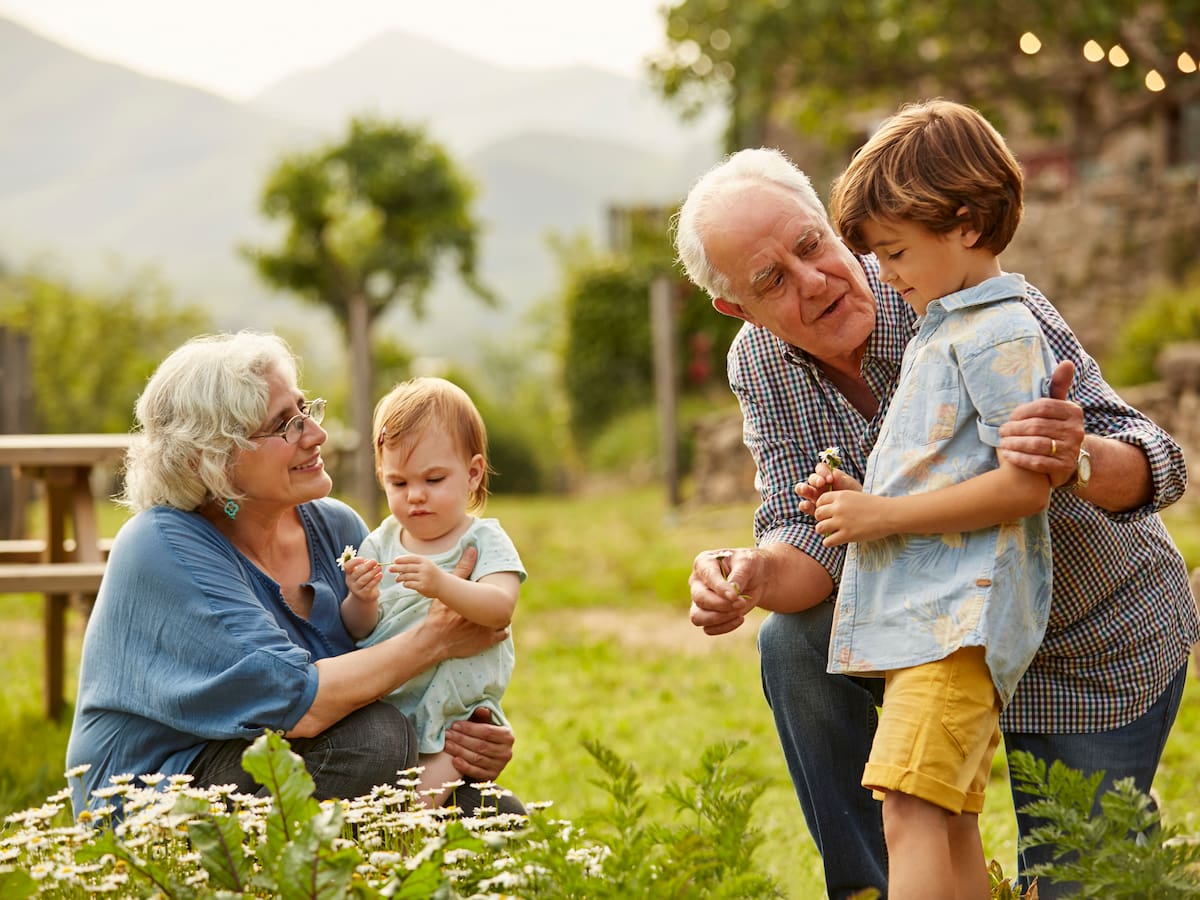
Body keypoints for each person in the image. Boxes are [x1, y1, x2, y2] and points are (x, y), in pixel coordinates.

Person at [673, 140, 1198, 899]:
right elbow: (808, 537)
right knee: (794, 645)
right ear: (735, 308)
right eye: (771, 281)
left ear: (829, 222)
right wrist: (752, 573)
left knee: (1084, 882)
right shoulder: (760, 362)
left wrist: (1075, 453)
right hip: (937, 634)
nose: (814, 281)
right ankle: (874, 889)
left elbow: (1159, 462)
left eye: (812, 246)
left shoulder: (960, 289)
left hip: (1085, 636)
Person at [66, 332, 521, 817]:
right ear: (213, 458)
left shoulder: (337, 528)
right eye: (285, 425)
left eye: (306, 410)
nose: (317, 434)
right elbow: (299, 704)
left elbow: (382, 663)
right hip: (161, 791)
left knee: (497, 815)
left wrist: (467, 732)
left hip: (301, 757)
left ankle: (366, 852)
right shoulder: (161, 545)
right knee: (375, 740)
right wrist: (437, 639)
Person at [795, 100, 1056, 899]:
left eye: (897, 251)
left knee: (908, 810)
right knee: (944, 820)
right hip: (933, 623)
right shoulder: (943, 328)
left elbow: (1026, 484)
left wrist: (883, 517)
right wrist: (862, 498)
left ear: (967, 224)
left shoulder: (1001, 332)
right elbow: (949, 470)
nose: (886, 273)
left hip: (958, 624)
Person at [341, 377, 524, 808]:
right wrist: (361, 599)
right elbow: (358, 629)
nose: (416, 496)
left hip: (456, 712)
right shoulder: (379, 543)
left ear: (473, 474)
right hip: (392, 700)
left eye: (434, 479)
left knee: (414, 806)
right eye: (399, 484)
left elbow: (500, 608)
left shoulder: (483, 540)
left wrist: (443, 584)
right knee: (384, 790)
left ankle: (402, 836)